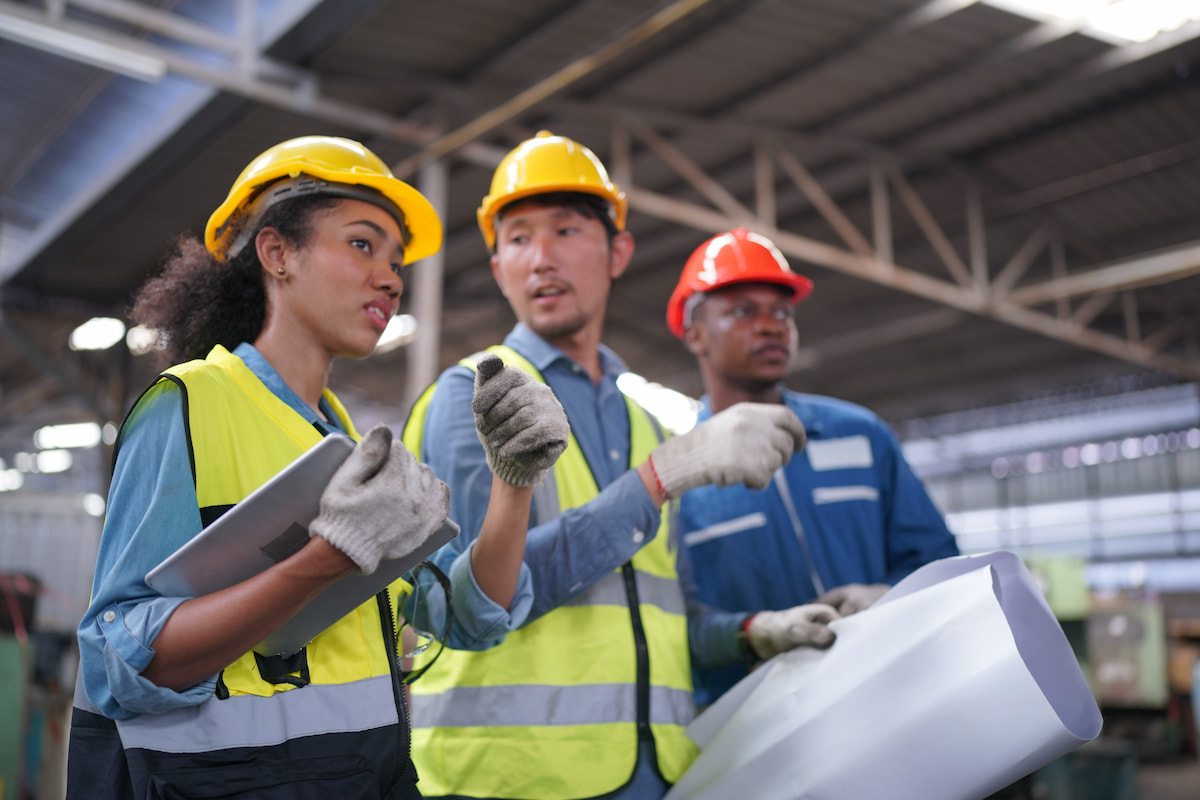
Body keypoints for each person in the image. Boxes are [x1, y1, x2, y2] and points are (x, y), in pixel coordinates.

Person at [66, 135, 569, 800]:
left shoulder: (346, 445)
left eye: (396, 262)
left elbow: (466, 616)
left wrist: (514, 482)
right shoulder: (188, 406)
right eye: (362, 244)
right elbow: (117, 661)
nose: (391, 278)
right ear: (277, 254)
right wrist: (326, 559)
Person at [402, 131, 838, 800]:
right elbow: (474, 604)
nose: (541, 258)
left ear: (618, 252)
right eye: (517, 239)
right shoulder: (476, 396)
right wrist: (658, 479)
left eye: (567, 230)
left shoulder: (645, 422)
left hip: (654, 775)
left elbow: (666, 619)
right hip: (509, 779)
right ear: (497, 269)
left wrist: (757, 632)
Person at [666, 227, 961, 706]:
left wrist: (887, 593)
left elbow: (938, 556)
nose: (771, 325)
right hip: (751, 723)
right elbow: (676, 621)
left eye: (782, 312)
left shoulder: (860, 435)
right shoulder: (682, 474)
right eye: (743, 311)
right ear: (694, 333)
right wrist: (756, 635)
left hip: (884, 694)